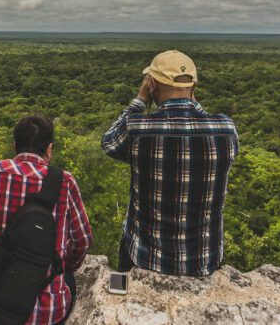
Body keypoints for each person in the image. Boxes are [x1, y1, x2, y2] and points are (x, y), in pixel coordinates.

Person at [102, 50, 239, 276]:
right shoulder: (225, 129)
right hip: (204, 260)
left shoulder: (138, 128)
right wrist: (192, 102)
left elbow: (109, 143)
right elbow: (202, 120)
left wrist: (140, 101)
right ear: (194, 87)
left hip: (144, 257)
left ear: (152, 85)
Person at [0, 114, 93, 325]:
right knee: (69, 279)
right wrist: (65, 266)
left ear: (15, 145)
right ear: (49, 149)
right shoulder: (65, 182)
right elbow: (82, 240)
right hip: (47, 316)